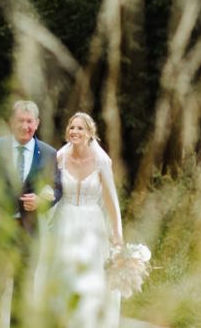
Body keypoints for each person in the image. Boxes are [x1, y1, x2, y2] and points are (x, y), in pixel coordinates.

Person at [35, 112, 124, 328]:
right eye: (72, 127)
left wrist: (117, 232)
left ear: (90, 133)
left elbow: (111, 200)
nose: (75, 132)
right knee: (63, 275)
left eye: (80, 128)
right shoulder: (60, 157)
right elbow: (51, 185)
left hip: (92, 225)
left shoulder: (102, 161)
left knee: (90, 277)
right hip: (64, 221)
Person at [0, 99, 61, 325]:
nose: (25, 126)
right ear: (10, 122)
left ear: (37, 123)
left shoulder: (48, 152)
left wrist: (42, 199)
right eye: (20, 121)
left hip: (29, 230)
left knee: (23, 286)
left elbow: (57, 187)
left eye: (30, 121)